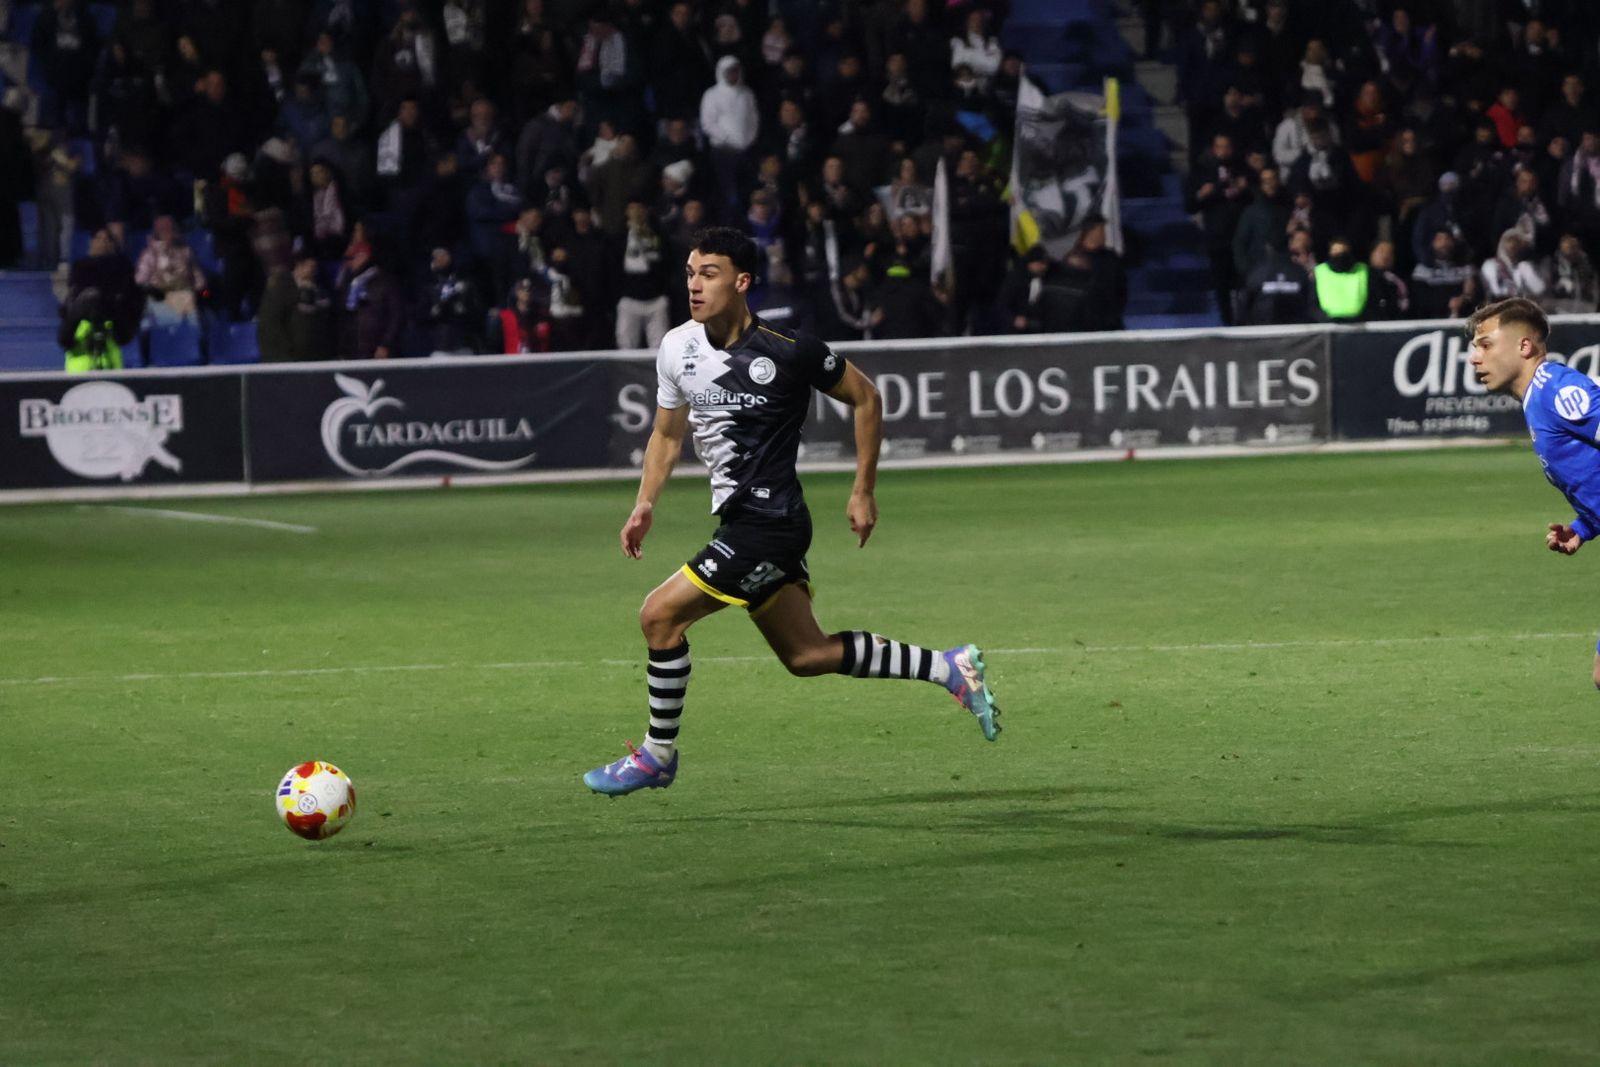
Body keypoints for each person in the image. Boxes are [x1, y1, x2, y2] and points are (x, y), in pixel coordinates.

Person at [582, 226, 1000, 796]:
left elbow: (866, 397)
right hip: (743, 522)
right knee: (807, 654)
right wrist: (644, 503)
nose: (695, 285)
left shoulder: (788, 348)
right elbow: (666, 434)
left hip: (769, 524)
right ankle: (949, 668)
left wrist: (862, 490)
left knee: (659, 617)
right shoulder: (676, 347)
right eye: (689, 273)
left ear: (742, 281)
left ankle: (657, 755)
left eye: (709, 273)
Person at [1466, 297, 1600, 687]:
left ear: (1524, 346)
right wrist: (1585, 525)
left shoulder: (1555, 390)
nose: (1475, 357)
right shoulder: (1536, 401)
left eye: (1486, 344)